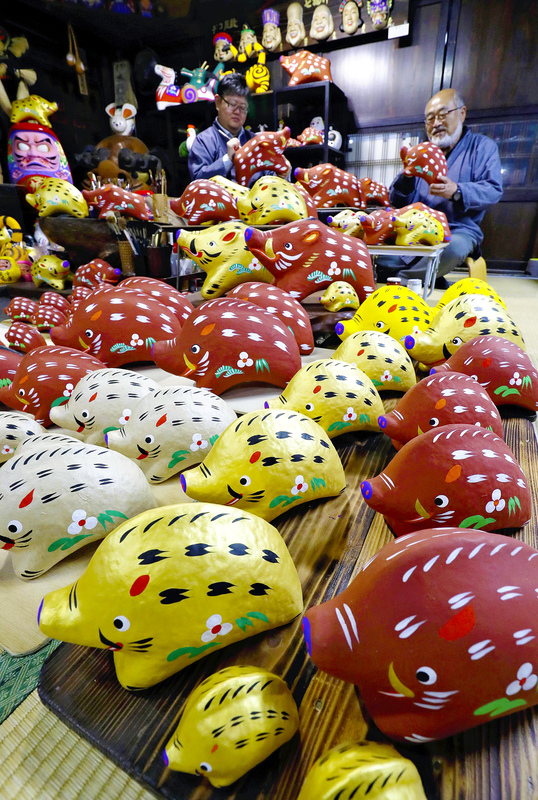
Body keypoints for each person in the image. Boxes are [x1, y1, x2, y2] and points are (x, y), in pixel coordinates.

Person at [377, 88, 503, 287]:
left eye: (443, 114)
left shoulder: (482, 147)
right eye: (430, 118)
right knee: (380, 254)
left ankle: (402, 281)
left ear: (462, 113)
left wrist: (457, 191)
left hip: (458, 229)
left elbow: (493, 189)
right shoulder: (421, 152)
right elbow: (396, 201)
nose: (436, 123)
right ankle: (424, 278)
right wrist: (406, 179)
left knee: (452, 250)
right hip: (415, 228)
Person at [188, 73, 288, 185]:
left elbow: (271, 179)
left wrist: (283, 174)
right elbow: (197, 182)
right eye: (232, 104)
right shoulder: (203, 141)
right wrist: (228, 159)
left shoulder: (256, 141)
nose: (237, 112)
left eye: (243, 107)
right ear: (218, 102)